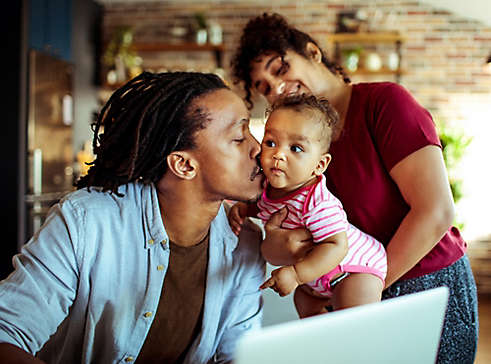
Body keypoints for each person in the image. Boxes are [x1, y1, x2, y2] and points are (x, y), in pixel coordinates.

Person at [231, 13, 478, 364]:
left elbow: (435, 212)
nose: (277, 87)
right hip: (346, 290)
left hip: (425, 284)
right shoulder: (292, 153)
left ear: (313, 53)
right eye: (265, 88)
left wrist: (361, 290)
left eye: (280, 69)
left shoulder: (384, 104)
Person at [0, 72, 265, 364]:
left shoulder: (246, 242)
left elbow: (238, 356)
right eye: (239, 138)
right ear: (184, 164)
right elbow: (6, 335)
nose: (258, 149)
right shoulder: (85, 222)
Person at [228, 94, 386, 316]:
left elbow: (336, 245)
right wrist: (245, 210)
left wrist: (296, 275)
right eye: (271, 143)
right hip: (314, 278)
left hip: (353, 269)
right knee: (305, 305)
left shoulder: (317, 202)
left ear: (319, 164)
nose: (278, 155)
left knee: (352, 324)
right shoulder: (268, 189)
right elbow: (265, 206)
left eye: (296, 148)